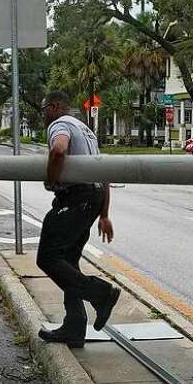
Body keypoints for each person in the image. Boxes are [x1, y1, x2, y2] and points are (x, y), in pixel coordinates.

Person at [35, 91, 119, 348]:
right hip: (91, 198)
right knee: (68, 263)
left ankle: (101, 293)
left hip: (75, 198)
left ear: (57, 106)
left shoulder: (60, 125)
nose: (43, 114)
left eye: (45, 108)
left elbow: (58, 150)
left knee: (47, 258)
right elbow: (102, 171)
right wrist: (103, 214)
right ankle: (74, 326)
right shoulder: (86, 130)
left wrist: (51, 179)